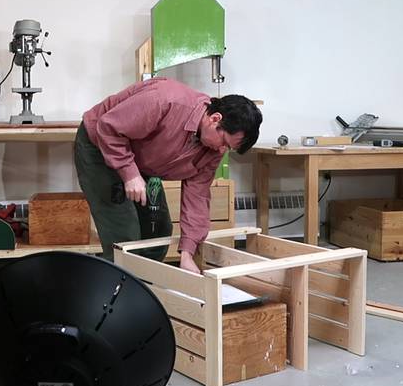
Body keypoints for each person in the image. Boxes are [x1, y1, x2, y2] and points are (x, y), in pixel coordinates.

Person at [74, 78, 262, 273]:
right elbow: (108, 127)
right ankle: (115, 288)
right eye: (224, 142)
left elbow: (197, 196)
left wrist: (187, 254)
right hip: (99, 144)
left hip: (141, 160)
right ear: (215, 119)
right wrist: (130, 174)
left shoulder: (214, 150)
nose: (222, 149)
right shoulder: (164, 100)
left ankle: (143, 283)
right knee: (124, 236)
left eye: (228, 147)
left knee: (158, 228)